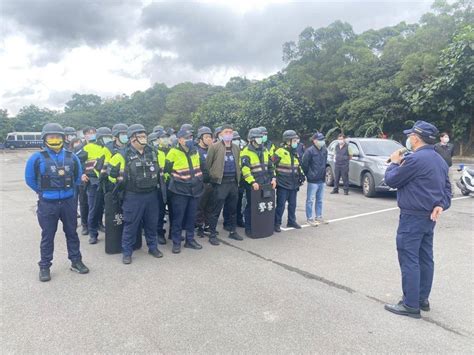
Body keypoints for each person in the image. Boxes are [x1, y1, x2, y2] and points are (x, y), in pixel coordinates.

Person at [383, 121, 451, 319]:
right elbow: (447, 189)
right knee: (425, 258)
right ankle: (422, 298)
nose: (409, 139)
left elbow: (392, 180)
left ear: (415, 138)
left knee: (409, 258)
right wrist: (442, 204)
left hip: (412, 217)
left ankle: (411, 304)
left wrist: (395, 162)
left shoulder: (415, 159)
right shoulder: (439, 160)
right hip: (429, 216)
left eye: (411, 135)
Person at [24, 123, 89, 282]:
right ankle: (45, 266)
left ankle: (76, 261)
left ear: (63, 138)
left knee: (72, 233)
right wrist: (43, 192)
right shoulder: (36, 157)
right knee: (48, 235)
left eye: (58, 136)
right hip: (48, 203)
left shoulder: (71, 156)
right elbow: (30, 179)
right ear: (45, 138)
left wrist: (69, 192)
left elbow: (77, 176)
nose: (55, 139)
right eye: (51, 136)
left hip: (68, 201)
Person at [108, 124, 165, 264]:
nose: (143, 138)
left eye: (144, 135)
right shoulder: (121, 155)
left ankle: (153, 248)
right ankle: (127, 252)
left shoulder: (154, 153)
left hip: (151, 195)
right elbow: (110, 176)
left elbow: (162, 173)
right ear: (132, 139)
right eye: (140, 136)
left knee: (151, 224)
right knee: (130, 225)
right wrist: (114, 175)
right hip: (133, 196)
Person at [164, 129, 204, 254]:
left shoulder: (195, 151)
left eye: (191, 137)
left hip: (194, 189)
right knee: (178, 218)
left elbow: (200, 167)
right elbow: (167, 170)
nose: (189, 139)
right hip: (179, 190)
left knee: (191, 216)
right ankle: (176, 243)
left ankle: (190, 240)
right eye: (187, 137)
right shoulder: (173, 152)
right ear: (180, 139)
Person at [206, 124, 242, 245]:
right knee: (216, 209)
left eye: (230, 132)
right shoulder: (214, 147)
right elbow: (208, 165)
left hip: (233, 182)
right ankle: (212, 233)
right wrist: (213, 178)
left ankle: (232, 231)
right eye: (226, 132)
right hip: (221, 182)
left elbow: (238, 163)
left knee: (232, 209)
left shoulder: (236, 148)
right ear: (220, 134)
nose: (229, 134)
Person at [77, 127, 111, 244]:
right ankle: (92, 233)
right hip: (93, 182)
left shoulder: (108, 148)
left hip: (106, 181)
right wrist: (81, 174)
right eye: (89, 133)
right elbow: (75, 161)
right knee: (93, 208)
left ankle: (100, 225)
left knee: (103, 207)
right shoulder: (86, 148)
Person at [240, 128, 276, 237]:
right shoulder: (246, 152)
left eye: (261, 137)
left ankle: (264, 228)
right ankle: (250, 229)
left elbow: (270, 166)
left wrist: (273, 178)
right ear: (252, 139)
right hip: (253, 185)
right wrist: (252, 182)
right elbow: (245, 170)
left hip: (266, 184)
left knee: (264, 206)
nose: (261, 139)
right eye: (258, 137)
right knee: (251, 207)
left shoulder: (264, 150)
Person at [272, 130, 305, 232]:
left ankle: (291, 221)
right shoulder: (279, 152)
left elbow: (298, 166)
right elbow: (271, 166)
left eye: (296, 140)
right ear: (287, 141)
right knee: (281, 205)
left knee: (293, 204)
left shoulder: (295, 152)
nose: (296, 142)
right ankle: (276, 223)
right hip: (282, 183)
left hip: (294, 183)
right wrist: (274, 178)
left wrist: (302, 175)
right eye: (294, 140)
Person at [302, 132, 328, 226]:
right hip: (313, 180)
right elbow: (304, 164)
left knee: (320, 199)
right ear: (314, 141)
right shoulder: (309, 151)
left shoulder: (324, 150)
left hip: (321, 179)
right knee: (310, 200)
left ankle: (319, 216)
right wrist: (309, 175)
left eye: (323, 140)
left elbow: (325, 163)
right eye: (320, 140)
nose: (322, 142)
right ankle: (309, 218)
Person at [195, 126, 214, 238]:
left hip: (212, 182)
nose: (209, 139)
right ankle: (199, 226)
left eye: (210, 137)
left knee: (210, 206)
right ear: (200, 138)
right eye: (206, 137)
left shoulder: (213, 150)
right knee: (200, 206)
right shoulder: (196, 150)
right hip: (201, 183)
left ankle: (208, 225)